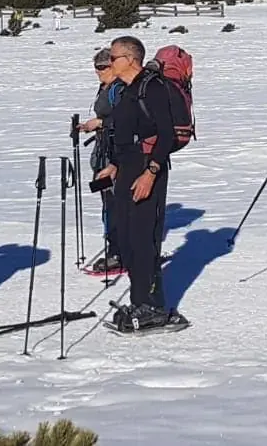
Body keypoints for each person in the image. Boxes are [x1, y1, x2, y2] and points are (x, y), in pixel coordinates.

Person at [96, 36, 188, 333]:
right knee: (125, 237)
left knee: (143, 238)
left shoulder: (153, 87)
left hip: (148, 169)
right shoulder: (126, 91)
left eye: (113, 57)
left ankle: (151, 306)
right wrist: (114, 165)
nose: (109, 63)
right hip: (126, 170)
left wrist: (150, 172)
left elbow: (165, 134)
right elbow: (125, 136)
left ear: (131, 59)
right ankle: (142, 301)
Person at [79, 47, 125, 277]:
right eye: (95, 67)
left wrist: (99, 123)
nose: (97, 71)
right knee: (106, 199)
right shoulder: (106, 87)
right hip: (101, 151)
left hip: (115, 154)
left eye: (102, 67)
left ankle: (119, 250)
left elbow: (126, 119)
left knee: (115, 201)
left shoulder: (121, 88)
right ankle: (114, 245)